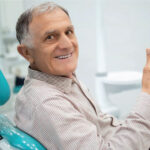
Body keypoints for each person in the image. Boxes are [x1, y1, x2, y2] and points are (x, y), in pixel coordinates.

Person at [14, 2, 150, 150]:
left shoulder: (63, 79)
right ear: (26, 53)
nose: (67, 45)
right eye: (50, 37)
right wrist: (147, 94)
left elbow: (102, 125)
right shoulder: (48, 103)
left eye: (68, 32)